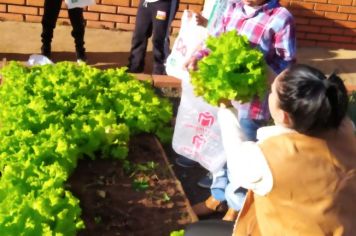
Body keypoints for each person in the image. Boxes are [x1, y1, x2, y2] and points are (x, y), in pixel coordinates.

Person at [185, 64, 356, 236]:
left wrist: (227, 107)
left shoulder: (268, 159)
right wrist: (272, 75)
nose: (269, 90)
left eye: (272, 91)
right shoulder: (345, 128)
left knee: (194, 232)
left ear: (283, 116)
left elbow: (236, 155)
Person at [186, 0, 296, 220]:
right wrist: (197, 57)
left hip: (252, 102)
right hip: (224, 97)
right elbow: (215, 41)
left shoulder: (281, 17)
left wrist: (257, 66)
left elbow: (287, 64)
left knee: (244, 155)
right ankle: (217, 198)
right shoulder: (231, 7)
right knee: (222, 146)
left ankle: (236, 207)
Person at [127, 0, 178, 75]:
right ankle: (135, 66)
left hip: (164, 3)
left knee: (160, 38)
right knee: (139, 35)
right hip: (146, 2)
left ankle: (160, 71)